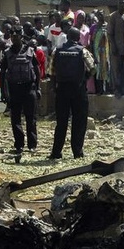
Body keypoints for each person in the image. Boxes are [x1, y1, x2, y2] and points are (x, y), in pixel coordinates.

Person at [49, 27, 95, 159]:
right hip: (78, 90)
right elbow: (92, 68)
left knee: (61, 122)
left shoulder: (57, 50)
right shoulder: (83, 51)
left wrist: (54, 87)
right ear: (78, 38)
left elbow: (51, 71)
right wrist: (84, 78)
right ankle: (77, 152)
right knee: (79, 121)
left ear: (67, 37)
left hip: (62, 90)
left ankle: (56, 152)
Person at [0, 27, 41, 163]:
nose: (14, 39)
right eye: (12, 36)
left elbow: (36, 69)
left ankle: (32, 145)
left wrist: (38, 88)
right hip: (14, 89)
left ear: (21, 37)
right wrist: (3, 92)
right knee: (15, 118)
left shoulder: (30, 51)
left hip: (29, 88)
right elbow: (2, 73)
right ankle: (19, 144)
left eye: (17, 36)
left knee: (31, 118)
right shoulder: (6, 53)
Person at [108, 0, 124, 97]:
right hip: (116, 48)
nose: (122, 5)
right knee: (116, 69)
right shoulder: (113, 16)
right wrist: (113, 46)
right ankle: (117, 89)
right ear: (118, 4)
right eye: (120, 3)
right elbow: (110, 34)